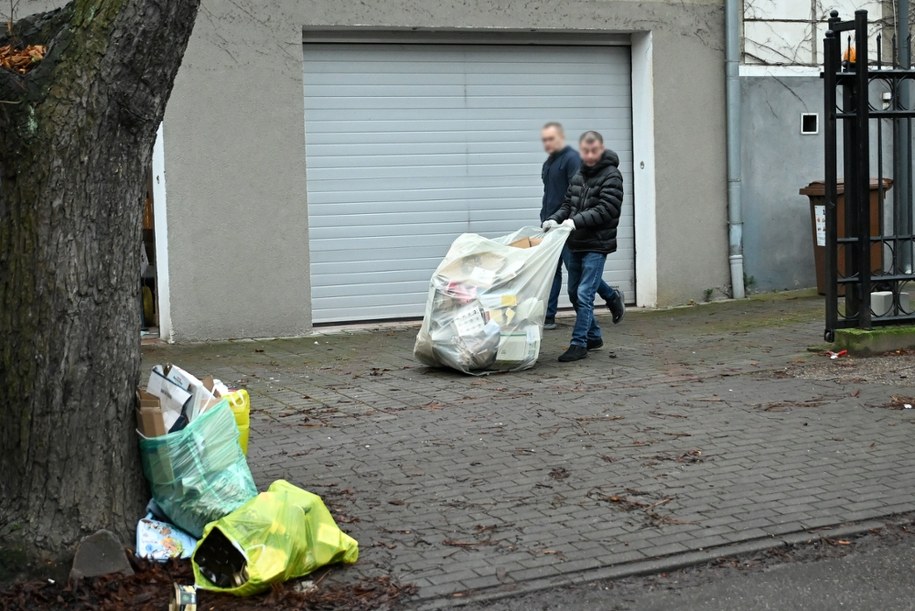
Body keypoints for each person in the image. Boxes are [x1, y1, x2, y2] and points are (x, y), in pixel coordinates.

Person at [542, 131, 624, 362]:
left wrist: (573, 222)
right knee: (573, 292)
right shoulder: (579, 173)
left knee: (584, 293)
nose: (589, 155)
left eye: (593, 150)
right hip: (576, 241)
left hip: (597, 244)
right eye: (585, 151)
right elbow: (568, 203)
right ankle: (595, 335)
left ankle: (579, 344)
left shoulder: (612, 176)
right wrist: (555, 219)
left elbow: (606, 209)